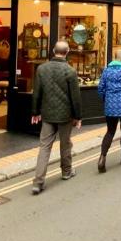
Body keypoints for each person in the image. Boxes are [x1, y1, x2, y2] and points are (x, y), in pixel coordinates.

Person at [30, 41, 82, 195]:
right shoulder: (70, 71)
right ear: (67, 52)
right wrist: (77, 117)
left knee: (44, 147)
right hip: (65, 116)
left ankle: (38, 182)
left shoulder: (42, 69)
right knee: (65, 144)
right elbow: (76, 98)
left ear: (53, 51)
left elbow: (36, 93)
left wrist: (35, 112)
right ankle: (66, 172)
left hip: (47, 114)